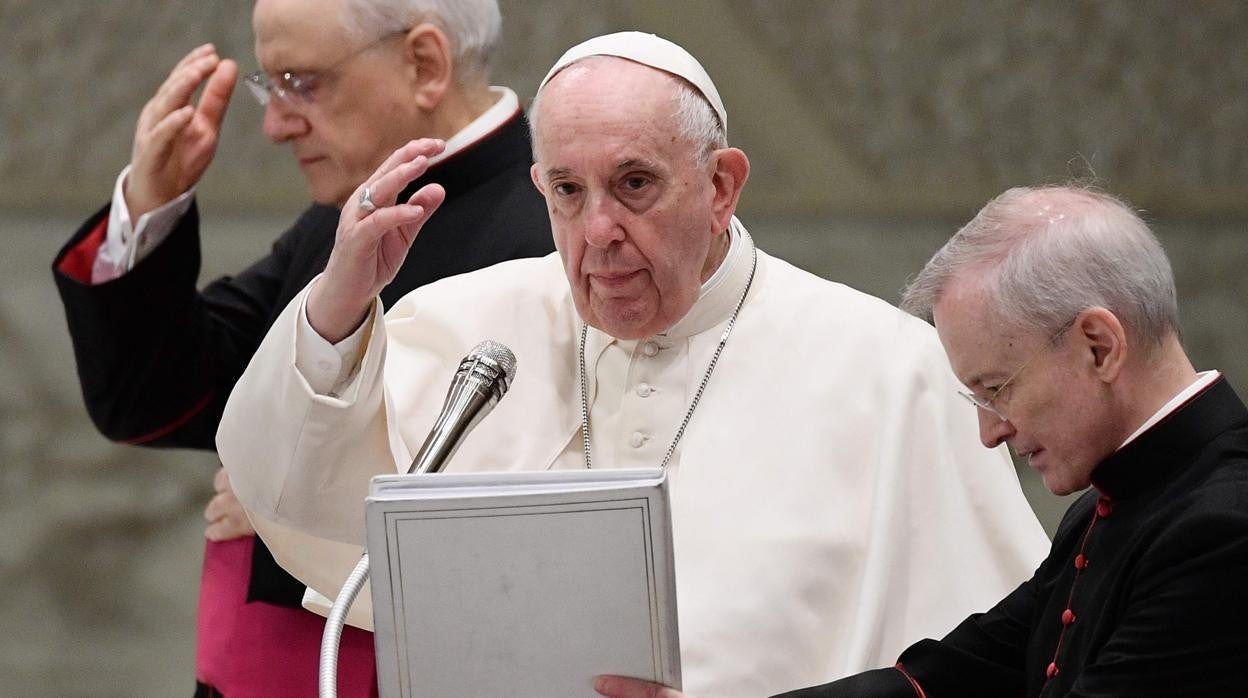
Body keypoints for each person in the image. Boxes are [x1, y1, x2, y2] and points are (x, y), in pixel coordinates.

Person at [217, 32, 1050, 695]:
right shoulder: (465, 331)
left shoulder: (889, 371)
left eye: (635, 185)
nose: (598, 231)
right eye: (567, 193)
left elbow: (987, 659)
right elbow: (293, 495)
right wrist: (337, 303)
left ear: (722, 186)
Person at [51, 0, 553, 695]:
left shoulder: (558, 230)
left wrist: (282, 508)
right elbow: (155, 397)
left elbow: (538, 525)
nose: (275, 124)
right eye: (271, 84)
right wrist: (149, 205)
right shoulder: (343, 217)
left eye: (302, 82)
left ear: (424, 65)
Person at [598, 185, 1248, 697]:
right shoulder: (1110, 504)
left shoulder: (1222, 530)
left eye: (996, 388)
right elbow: (963, 672)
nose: (990, 431)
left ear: (1098, 346)